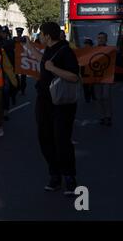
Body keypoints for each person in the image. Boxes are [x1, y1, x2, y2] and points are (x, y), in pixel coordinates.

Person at [25, 22, 79, 196]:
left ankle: (69, 177)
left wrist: (53, 68)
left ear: (47, 36)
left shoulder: (65, 51)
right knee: (45, 139)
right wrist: (27, 45)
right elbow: (41, 59)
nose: (39, 36)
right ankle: (54, 174)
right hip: (44, 102)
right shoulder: (48, 50)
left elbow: (73, 77)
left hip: (62, 104)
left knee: (62, 140)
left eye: (41, 34)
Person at [93, 32, 113, 126]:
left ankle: (108, 116)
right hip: (96, 78)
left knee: (106, 96)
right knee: (98, 98)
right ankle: (102, 117)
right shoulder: (93, 50)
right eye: (99, 38)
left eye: (102, 38)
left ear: (106, 39)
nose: (100, 39)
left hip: (106, 78)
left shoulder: (110, 50)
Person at [13, 27, 27, 96]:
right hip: (16, 58)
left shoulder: (24, 39)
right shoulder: (14, 39)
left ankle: (22, 89)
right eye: (18, 32)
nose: (19, 33)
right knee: (15, 75)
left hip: (23, 59)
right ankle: (17, 88)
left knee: (23, 76)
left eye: (20, 32)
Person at [82, 38, 96, 103]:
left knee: (92, 84)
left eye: (87, 44)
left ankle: (93, 96)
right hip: (84, 70)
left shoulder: (94, 51)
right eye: (85, 44)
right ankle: (87, 97)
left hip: (92, 70)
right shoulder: (82, 52)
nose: (86, 45)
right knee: (85, 85)